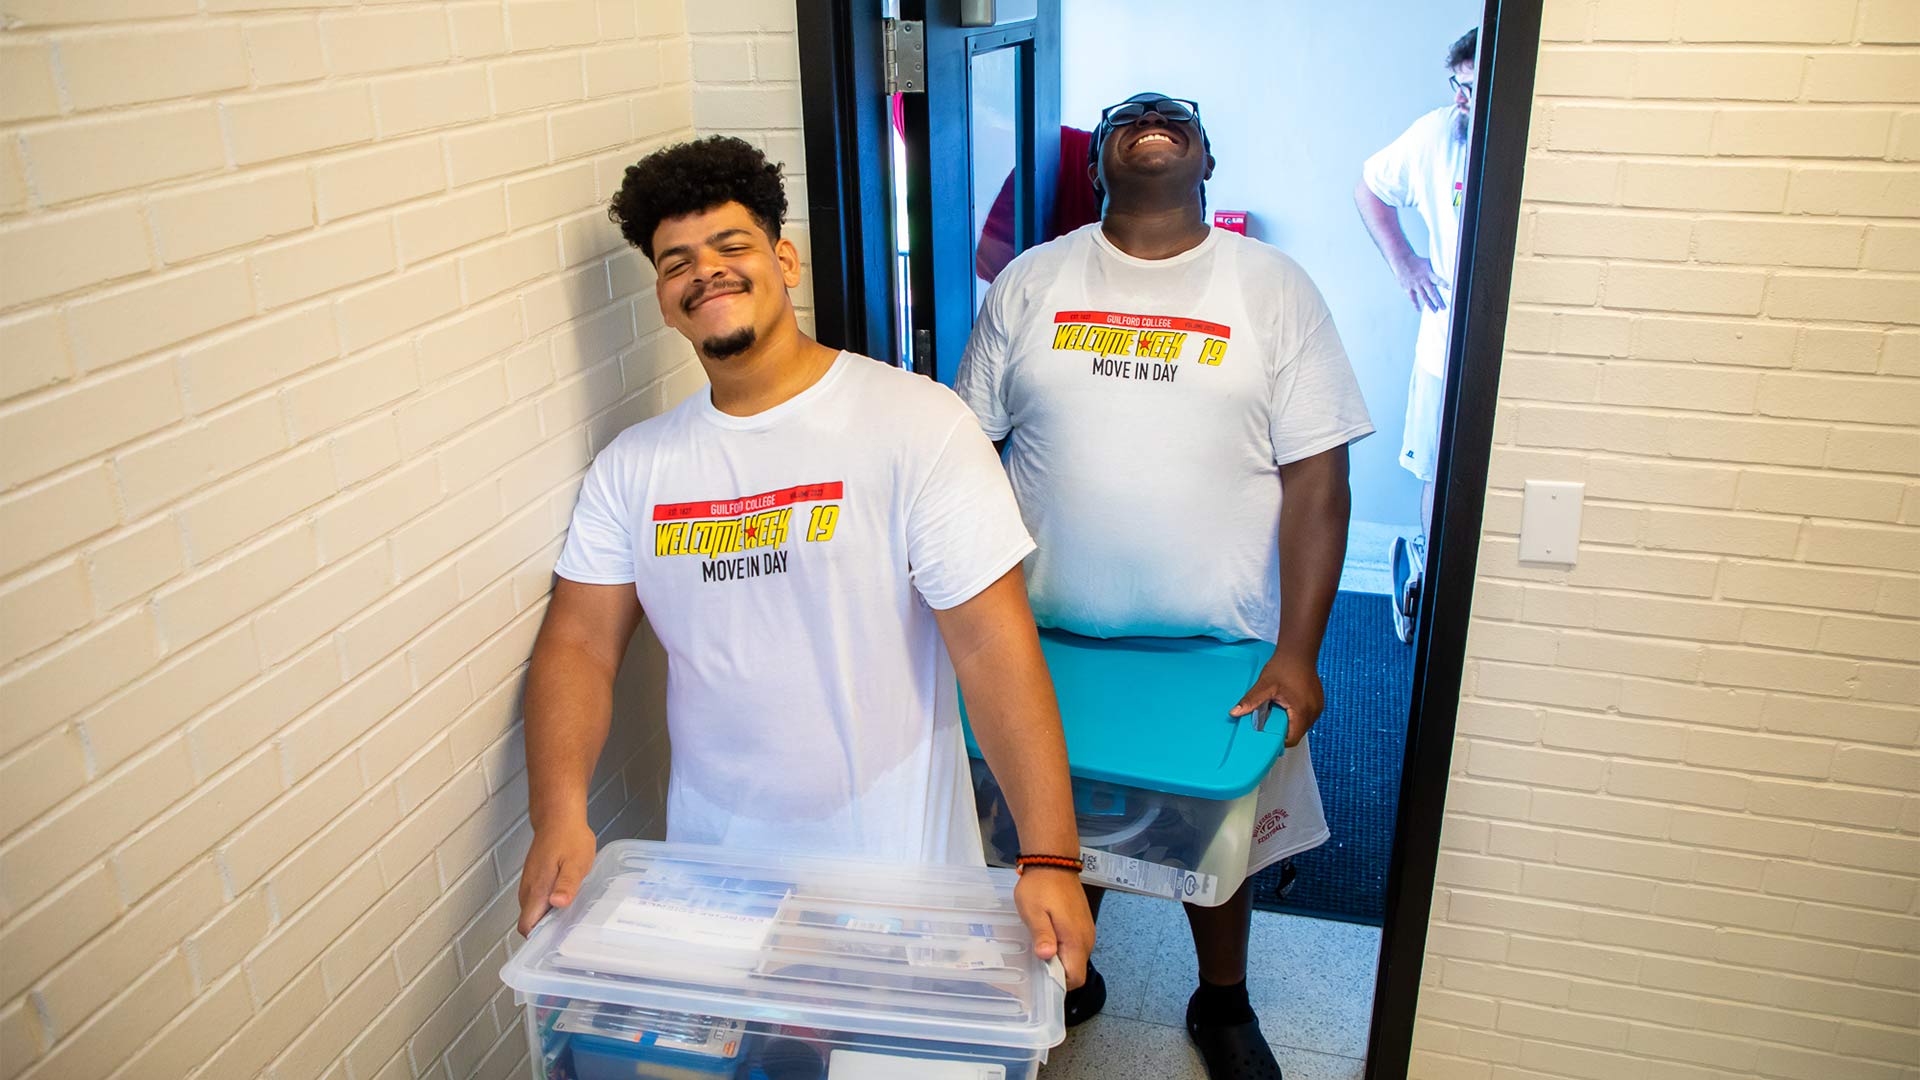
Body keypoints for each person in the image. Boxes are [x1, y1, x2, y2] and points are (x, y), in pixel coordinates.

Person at [513, 135, 1095, 988]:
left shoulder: (915, 424)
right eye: (677, 262)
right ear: (666, 302)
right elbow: (579, 645)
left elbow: (992, 647)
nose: (704, 271)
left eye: (730, 245)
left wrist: (1051, 855)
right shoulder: (634, 467)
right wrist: (558, 811)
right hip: (719, 889)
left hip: (898, 882)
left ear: (784, 259)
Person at [956, 94, 1372, 1079]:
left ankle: (1222, 1003)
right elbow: (964, 455)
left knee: (1213, 830)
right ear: (1097, 163)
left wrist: (1300, 654)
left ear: (1208, 159)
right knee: (1059, 816)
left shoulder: (1273, 288)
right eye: (1124, 118)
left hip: (1215, 643)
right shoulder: (1030, 281)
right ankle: (1077, 973)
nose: (1148, 117)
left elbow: (1319, 480)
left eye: (1171, 113)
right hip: (1043, 632)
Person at [1355, 27, 1478, 644]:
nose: (1460, 100)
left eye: (1471, 89)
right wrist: (1407, 264)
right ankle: (1433, 588)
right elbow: (1369, 189)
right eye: (1455, 85)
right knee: (1438, 466)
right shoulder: (1436, 135)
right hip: (1444, 338)